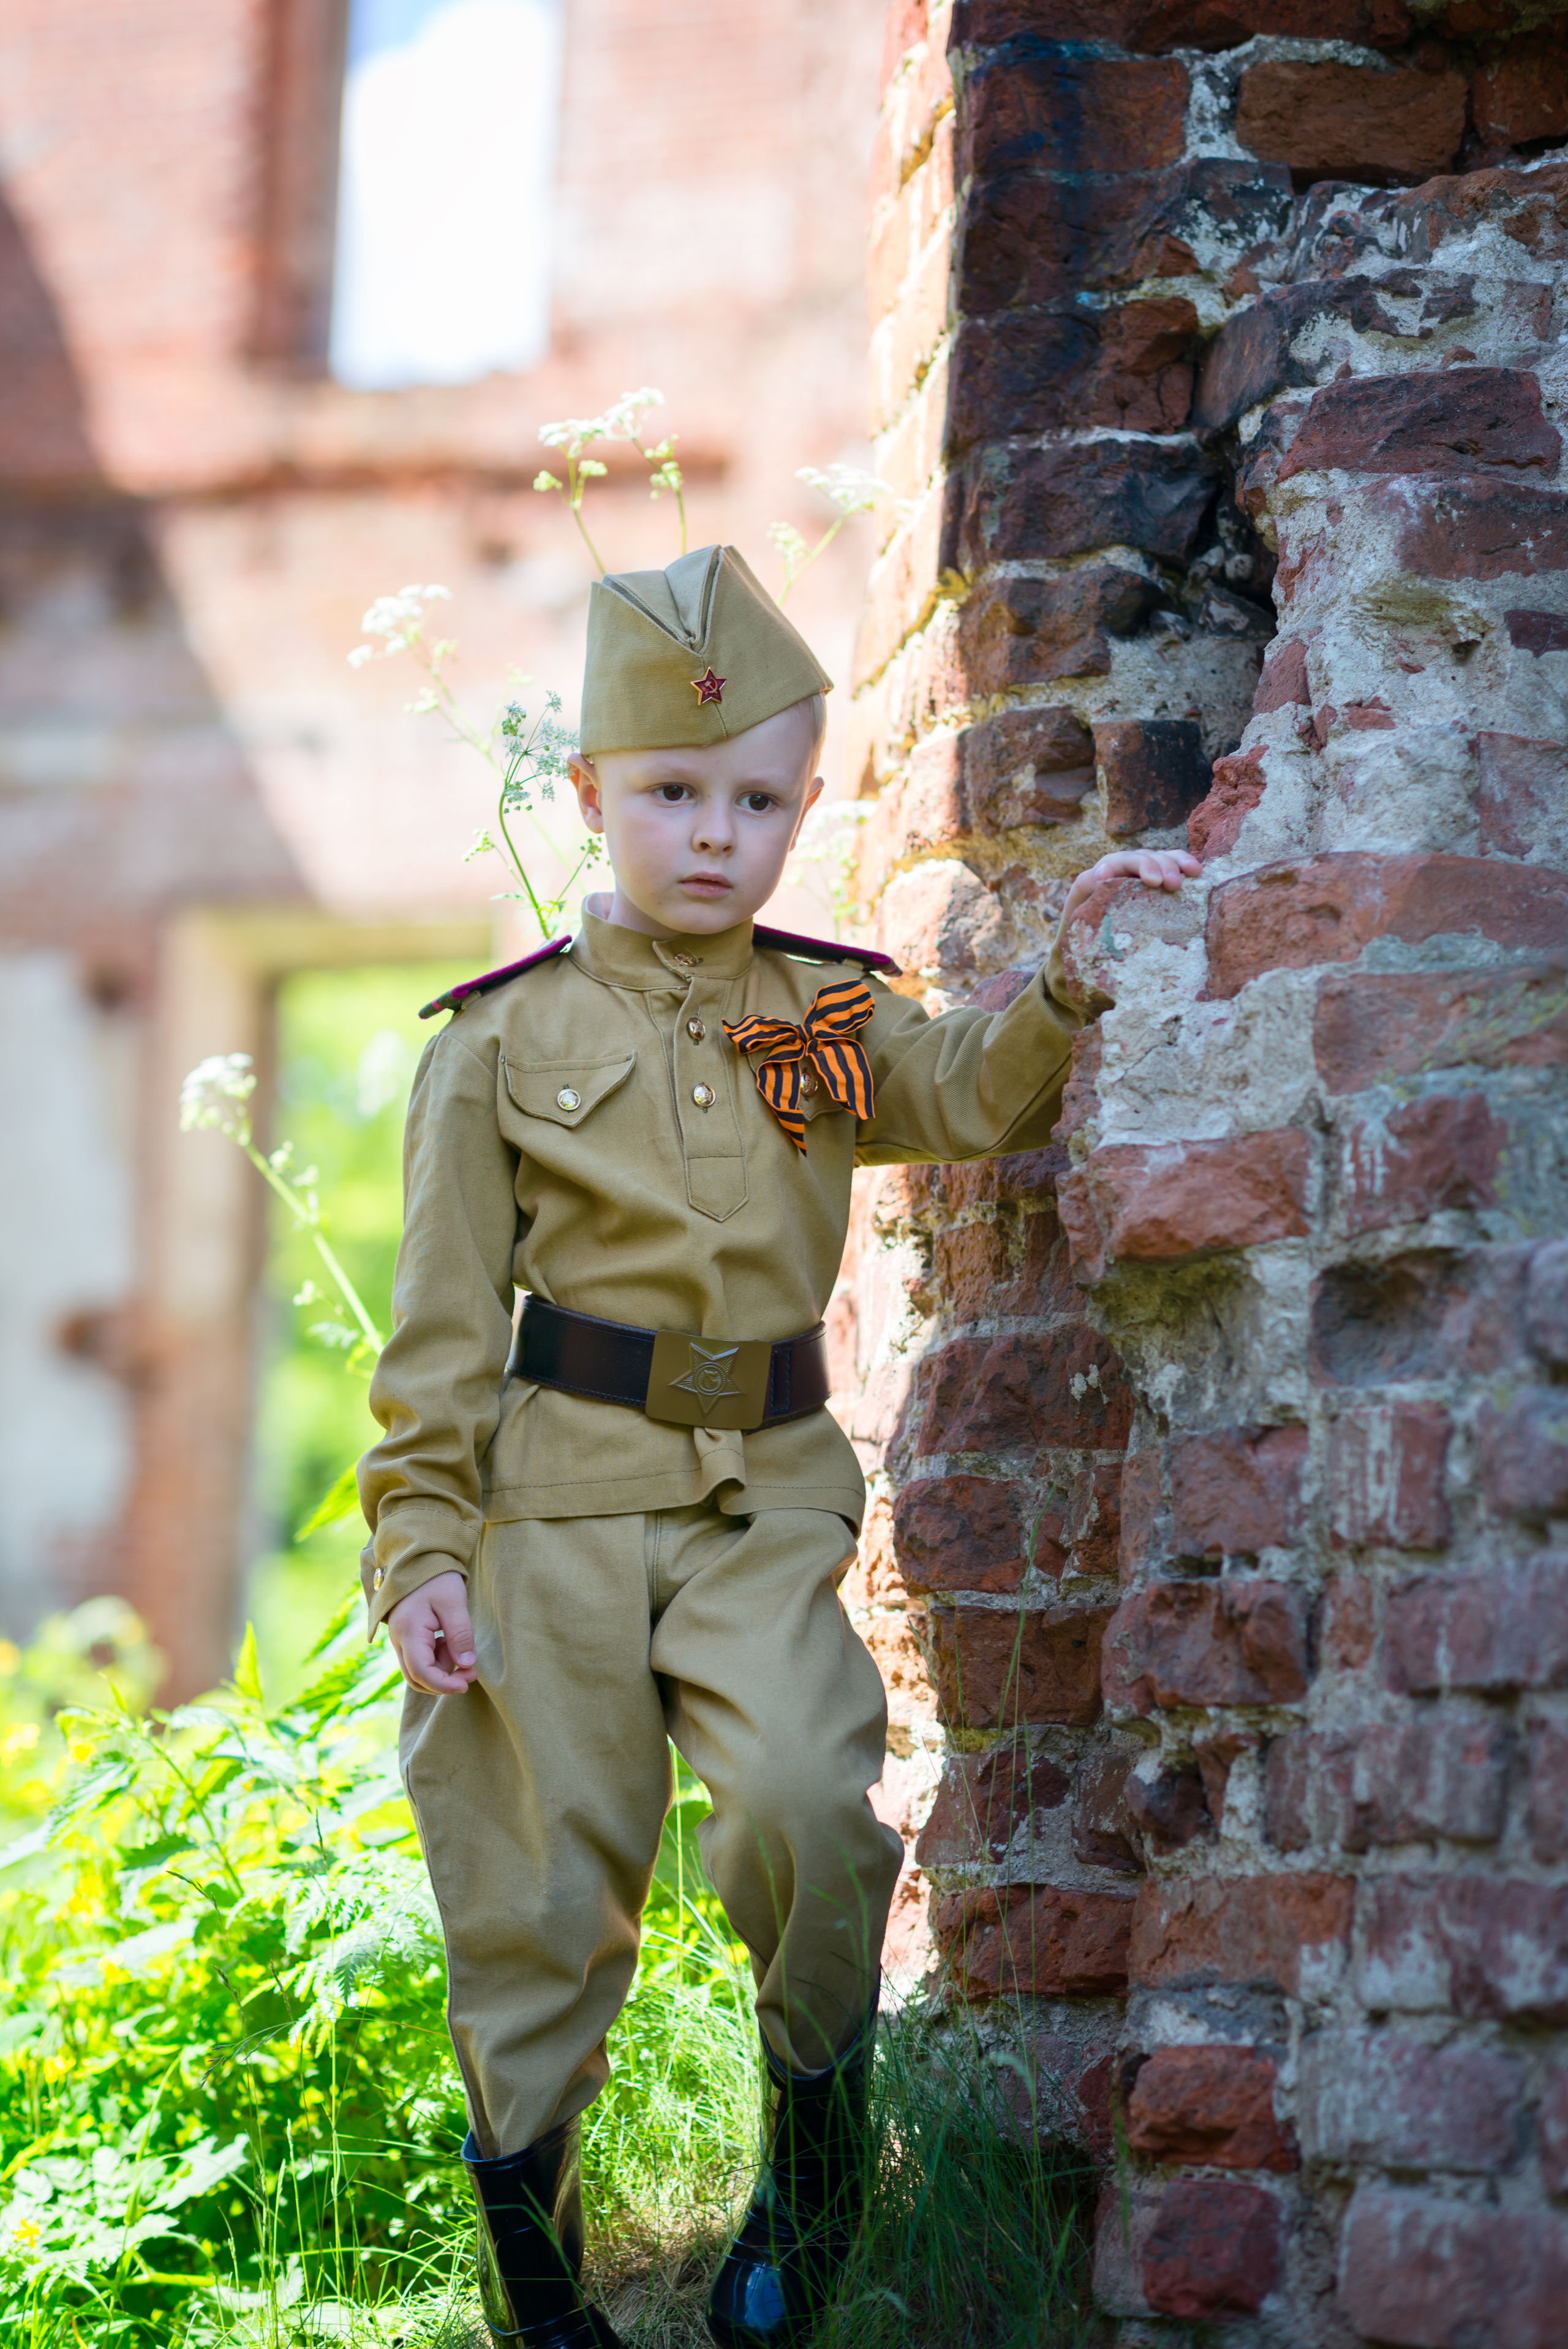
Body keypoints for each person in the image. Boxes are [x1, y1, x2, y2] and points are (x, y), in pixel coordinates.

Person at [358, 543, 1197, 2349]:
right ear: (591, 794)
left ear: (801, 804)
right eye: (673, 793)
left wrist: (1071, 985)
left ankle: (811, 2175)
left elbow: (962, 1089)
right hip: (554, 1509)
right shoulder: (502, 1043)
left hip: (759, 1500)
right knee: (539, 1883)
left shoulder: (810, 1012)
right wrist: (420, 1546)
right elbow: (436, 1334)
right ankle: (543, 2276)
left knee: (815, 1801)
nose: (717, 834)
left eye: (758, 798)